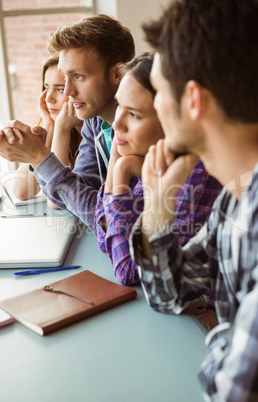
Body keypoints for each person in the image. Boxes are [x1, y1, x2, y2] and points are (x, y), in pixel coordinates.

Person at [129, 0, 258, 400]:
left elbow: (227, 391)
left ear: (194, 100)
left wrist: (227, 332)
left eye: (161, 92)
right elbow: (171, 294)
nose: (158, 107)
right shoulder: (236, 199)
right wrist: (157, 207)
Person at [0, 14, 135, 227]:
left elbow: (107, 219)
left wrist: (39, 157)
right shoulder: (95, 123)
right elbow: (76, 194)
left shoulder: (140, 126)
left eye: (78, 76)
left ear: (117, 74)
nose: (68, 91)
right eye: (64, 78)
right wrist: (36, 153)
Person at [95, 52, 222, 287]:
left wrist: (121, 172)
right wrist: (116, 160)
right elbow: (105, 237)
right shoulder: (153, 155)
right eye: (119, 106)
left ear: (170, 117)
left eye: (133, 114)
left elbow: (129, 270)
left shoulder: (195, 174)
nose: (116, 124)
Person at [13, 56, 82, 208]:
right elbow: (22, 191)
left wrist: (61, 128)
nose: (49, 98)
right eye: (46, 88)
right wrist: (49, 127)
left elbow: (58, 201)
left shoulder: (92, 133)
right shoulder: (50, 122)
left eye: (60, 89)